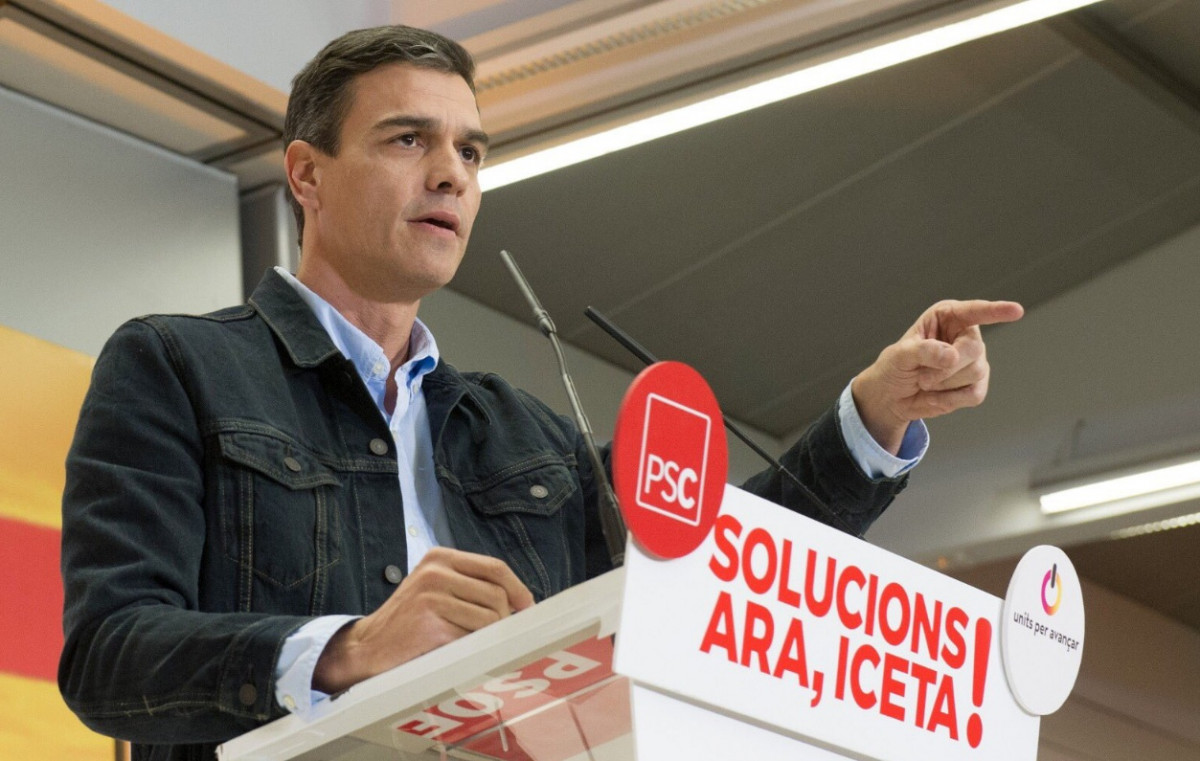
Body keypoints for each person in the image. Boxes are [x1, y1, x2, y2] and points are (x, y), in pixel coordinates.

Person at [58, 25, 1022, 761]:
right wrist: (349, 647)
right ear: (307, 174)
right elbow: (106, 656)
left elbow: (716, 576)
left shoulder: (529, 437)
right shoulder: (175, 366)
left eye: (471, 152)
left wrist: (876, 414)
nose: (450, 174)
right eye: (407, 139)